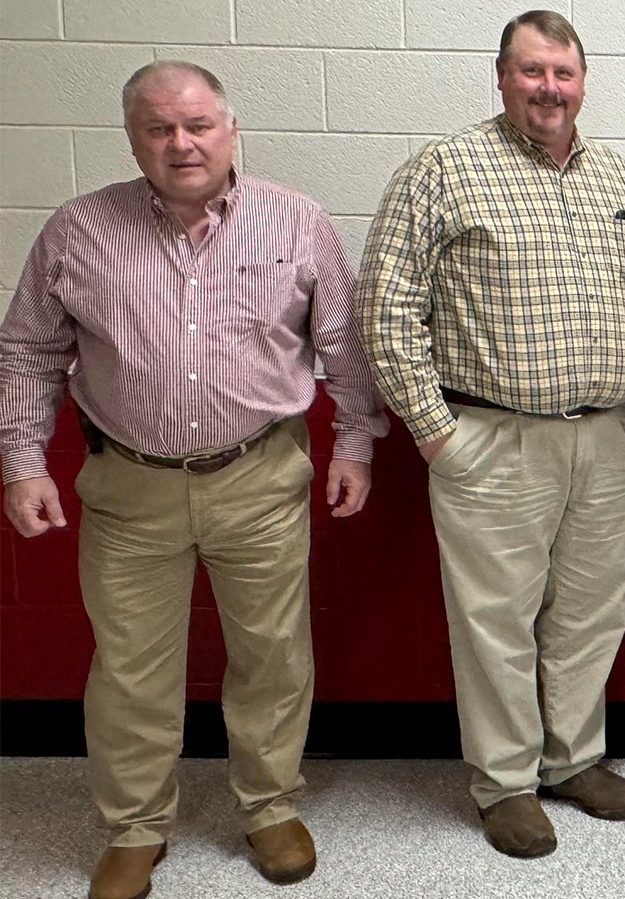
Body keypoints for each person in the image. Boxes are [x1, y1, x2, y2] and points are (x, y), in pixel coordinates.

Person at [0, 60, 389, 899]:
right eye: (158, 128)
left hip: (259, 477)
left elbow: (344, 347)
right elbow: (30, 350)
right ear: (133, 136)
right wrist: (23, 461)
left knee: (273, 655)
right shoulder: (77, 230)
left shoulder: (296, 221)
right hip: (129, 486)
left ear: (231, 129)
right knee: (132, 667)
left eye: (198, 125)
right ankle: (136, 826)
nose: (181, 143)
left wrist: (355, 444)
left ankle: (270, 806)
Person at [358, 10, 625, 858]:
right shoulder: (445, 171)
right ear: (500, 77)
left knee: (591, 613)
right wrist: (435, 431)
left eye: (562, 73)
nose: (548, 89)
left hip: (605, 440)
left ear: (583, 81)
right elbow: (384, 307)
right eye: (531, 72)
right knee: (496, 620)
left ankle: (574, 759)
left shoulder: (617, 179)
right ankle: (505, 782)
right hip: (491, 439)